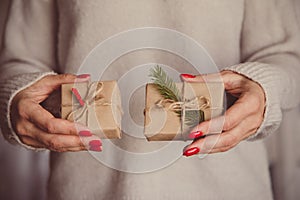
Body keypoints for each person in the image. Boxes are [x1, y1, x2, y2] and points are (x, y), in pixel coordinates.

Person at [0, 0, 299, 199]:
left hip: (228, 188)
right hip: (88, 190)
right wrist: (16, 98)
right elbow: (20, 59)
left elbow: (288, 56)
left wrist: (264, 88)